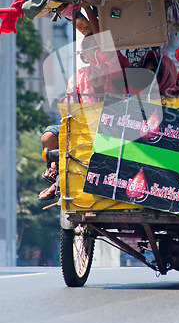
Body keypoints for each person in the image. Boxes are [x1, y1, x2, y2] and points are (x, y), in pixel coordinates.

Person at [38, 34, 131, 201]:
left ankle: (59, 180)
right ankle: (57, 169)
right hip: (80, 126)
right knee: (48, 136)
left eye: (96, 50)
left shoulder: (114, 71)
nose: (93, 55)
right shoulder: (78, 75)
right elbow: (68, 107)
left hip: (111, 127)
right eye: (89, 51)